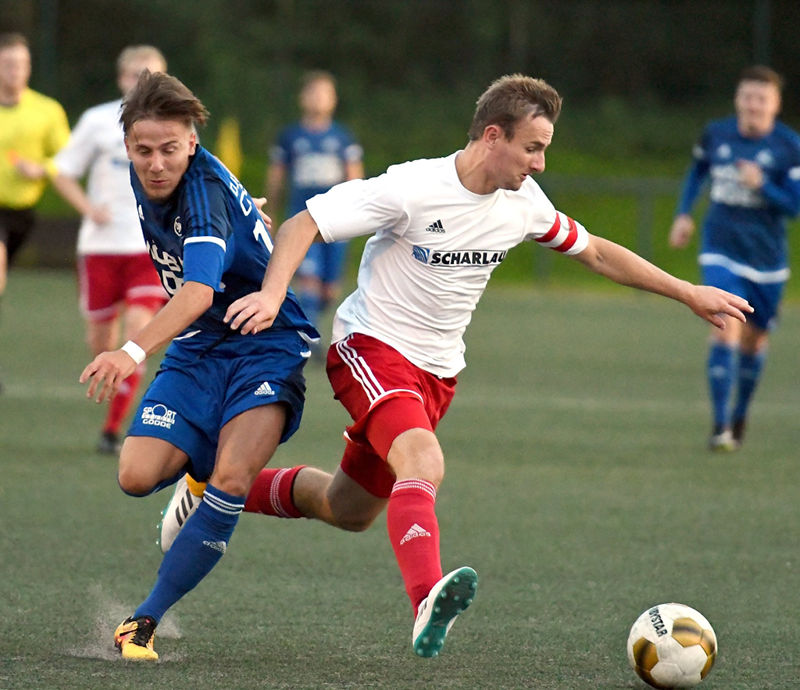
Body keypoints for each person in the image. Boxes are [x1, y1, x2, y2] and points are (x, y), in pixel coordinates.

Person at [162, 74, 752, 659]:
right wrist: (271, 295)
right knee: (424, 461)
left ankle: (215, 483)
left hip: (437, 375)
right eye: (533, 147)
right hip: (369, 349)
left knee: (347, 510)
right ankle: (426, 601)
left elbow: (595, 250)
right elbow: (303, 223)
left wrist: (686, 291)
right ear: (492, 136)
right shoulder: (412, 187)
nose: (540, 164)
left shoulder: (523, 205)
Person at [79, 70, 318, 660]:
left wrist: (129, 350)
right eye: (143, 151)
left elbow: (196, 295)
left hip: (267, 340)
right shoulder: (160, 172)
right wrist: (247, 211)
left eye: (169, 150)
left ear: (191, 142)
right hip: (199, 348)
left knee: (233, 482)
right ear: (127, 147)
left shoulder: (200, 193)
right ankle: (197, 473)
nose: (156, 163)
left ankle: (143, 620)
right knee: (135, 476)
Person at [668, 65, 800, 451]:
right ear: (737, 99)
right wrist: (683, 213)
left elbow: (794, 207)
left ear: (775, 105)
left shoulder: (789, 147)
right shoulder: (717, 134)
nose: (753, 105)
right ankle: (720, 425)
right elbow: (697, 172)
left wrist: (765, 188)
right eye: (747, 96)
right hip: (720, 249)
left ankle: (740, 414)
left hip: (767, 261)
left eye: (762, 98)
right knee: (725, 321)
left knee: (755, 343)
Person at [53, 46, 169, 454]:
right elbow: (63, 172)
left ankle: (113, 430)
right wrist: (88, 208)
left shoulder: (173, 125)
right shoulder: (98, 122)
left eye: (152, 74)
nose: (143, 81)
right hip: (100, 247)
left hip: (146, 248)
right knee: (102, 343)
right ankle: (116, 401)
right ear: (122, 78)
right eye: (136, 74)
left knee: (137, 335)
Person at [266, 70, 363, 341]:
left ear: (333, 100)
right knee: (308, 278)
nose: (319, 99)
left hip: (337, 219)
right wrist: (272, 209)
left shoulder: (343, 138)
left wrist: (356, 213)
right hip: (303, 215)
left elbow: (355, 177)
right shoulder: (290, 136)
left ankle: (310, 320)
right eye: (314, 93)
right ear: (303, 98)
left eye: (325, 94)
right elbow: (277, 176)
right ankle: (308, 337)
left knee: (328, 289)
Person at [0, 32, 70, 389]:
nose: (16, 71)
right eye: (9, 64)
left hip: (22, 213)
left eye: (22, 65)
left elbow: (68, 158)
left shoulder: (46, 111)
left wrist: (40, 168)